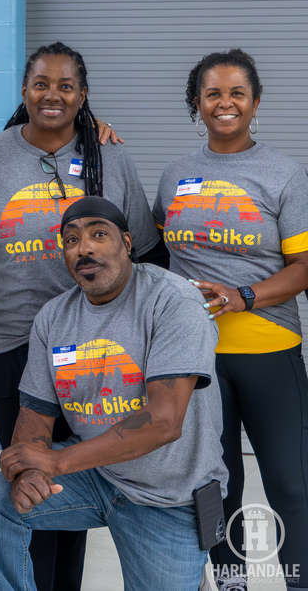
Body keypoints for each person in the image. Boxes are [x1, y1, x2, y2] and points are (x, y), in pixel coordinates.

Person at [0, 41, 162, 590]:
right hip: (7, 344)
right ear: (24, 91)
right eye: (41, 84)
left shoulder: (110, 158)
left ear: (82, 95)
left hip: (89, 348)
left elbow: (144, 251)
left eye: (66, 85)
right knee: (27, 480)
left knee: (67, 480)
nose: (52, 95)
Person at [0, 196, 227, 591]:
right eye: (71, 240)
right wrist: (30, 469)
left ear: (127, 242)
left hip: (168, 495)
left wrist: (54, 463)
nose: (84, 248)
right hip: (94, 477)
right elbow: (36, 412)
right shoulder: (54, 316)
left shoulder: (174, 301)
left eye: (98, 235)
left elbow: (163, 422)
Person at [153, 49, 308, 591]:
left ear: (256, 103)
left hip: (268, 351)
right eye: (213, 93)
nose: (225, 103)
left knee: (291, 482)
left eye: (236, 93)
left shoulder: (284, 174)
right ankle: (231, 581)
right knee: (216, 483)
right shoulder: (175, 176)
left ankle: (297, 580)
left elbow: (304, 267)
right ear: (197, 104)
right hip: (196, 357)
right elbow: (154, 257)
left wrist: (244, 295)